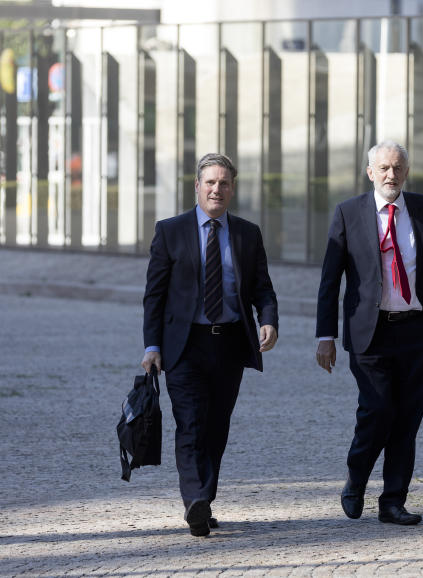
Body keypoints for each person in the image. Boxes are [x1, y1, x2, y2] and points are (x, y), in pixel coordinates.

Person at [316, 140, 423, 525]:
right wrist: (324, 335)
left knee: (407, 419)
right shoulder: (349, 213)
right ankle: (356, 477)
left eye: (397, 168)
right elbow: (330, 280)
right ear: (370, 173)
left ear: (406, 171)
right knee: (377, 410)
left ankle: (393, 501)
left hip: (417, 332)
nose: (391, 175)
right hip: (369, 334)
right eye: (384, 168)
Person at [141, 153, 279, 537]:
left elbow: (263, 288)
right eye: (210, 182)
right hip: (184, 346)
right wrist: (152, 345)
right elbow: (154, 295)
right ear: (197, 187)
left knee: (217, 427)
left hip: (230, 344)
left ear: (232, 188)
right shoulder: (170, 231)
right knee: (191, 424)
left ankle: (204, 499)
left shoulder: (247, 234)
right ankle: (196, 500)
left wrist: (268, 320)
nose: (217, 189)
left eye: (224, 183)